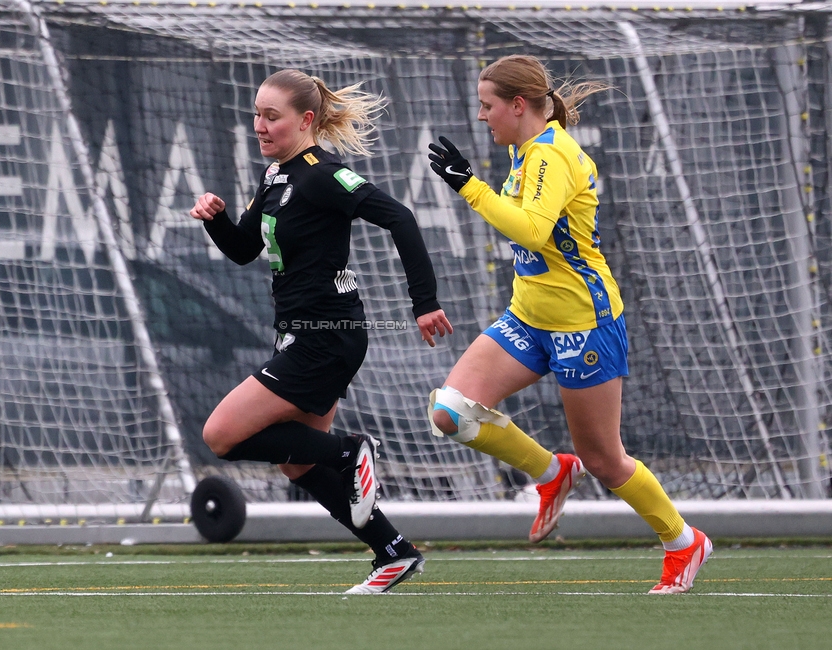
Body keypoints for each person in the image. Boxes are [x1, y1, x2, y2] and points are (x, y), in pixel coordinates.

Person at [426, 54, 712, 594]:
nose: (481, 116)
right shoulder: (524, 150)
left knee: (604, 459)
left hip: (583, 321)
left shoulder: (552, 154)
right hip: (530, 316)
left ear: (517, 105)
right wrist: (475, 186)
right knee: (450, 411)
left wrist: (469, 186)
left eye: (487, 106)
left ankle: (683, 542)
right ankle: (551, 473)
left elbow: (534, 232)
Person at [190, 69, 453, 594]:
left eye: (272, 116)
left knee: (219, 435)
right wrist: (215, 219)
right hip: (304, 333)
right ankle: (393, 552)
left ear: (306, 120)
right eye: (257, 115)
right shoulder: (274, 176)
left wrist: (424, 303)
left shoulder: (319, 173)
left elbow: (400, 218)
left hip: (325, 336)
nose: (260, 127)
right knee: (298, 464)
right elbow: (245, 250)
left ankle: (352, 450)